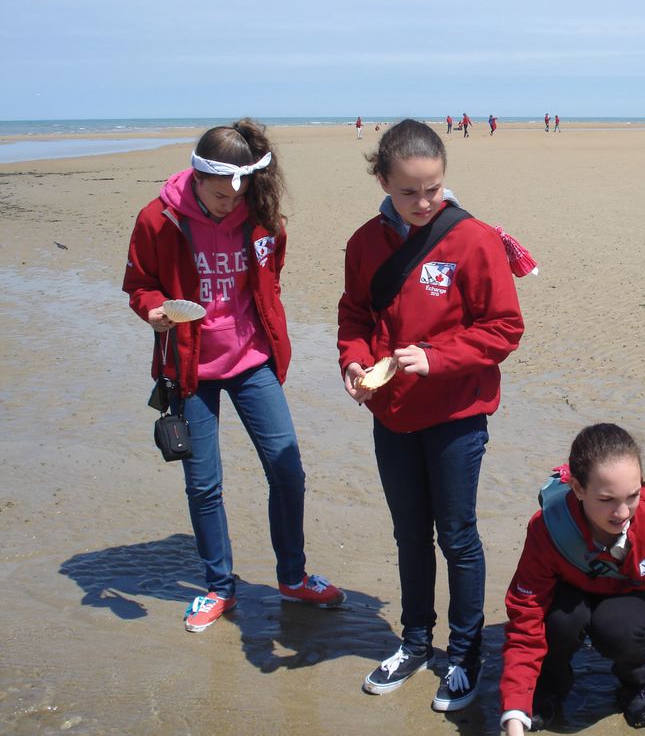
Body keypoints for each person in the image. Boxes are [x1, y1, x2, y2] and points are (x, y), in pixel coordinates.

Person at [122, 119, 345, 633]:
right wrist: (154, 310)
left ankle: (293, 576)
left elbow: (270, 278)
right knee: (204, 484)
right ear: (196, 178)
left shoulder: (261, 217)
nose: (229, 202)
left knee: (287, 471)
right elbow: (139, 283)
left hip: (252, 362)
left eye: (237, 192)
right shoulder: (158, 220)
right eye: (220, 194)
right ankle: (219, 586)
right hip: (189, 369)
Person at [338, 119, 525, 712]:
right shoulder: (364, 243)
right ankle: (416, 641)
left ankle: (465, 653)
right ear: (383, 182)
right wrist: (354, 362)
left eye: (434, 189)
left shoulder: (472, 240)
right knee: (409, 533)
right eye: (409, 192)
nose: (423, 202)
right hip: (391, 415)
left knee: (458, 536)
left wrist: (436, 358)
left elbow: (504, 328)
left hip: (456, 414)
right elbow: (355, 316)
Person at [500, 424, 645, 733]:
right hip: (569, 591)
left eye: (633, 495)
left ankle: (638, 681)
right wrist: (514, 706)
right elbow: (526, 615)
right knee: (560, 623)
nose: (622, 512)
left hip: (632, 592)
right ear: (578, 489)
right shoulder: (547, 529)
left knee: (618, 629)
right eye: (607, 499)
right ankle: (549, 683)